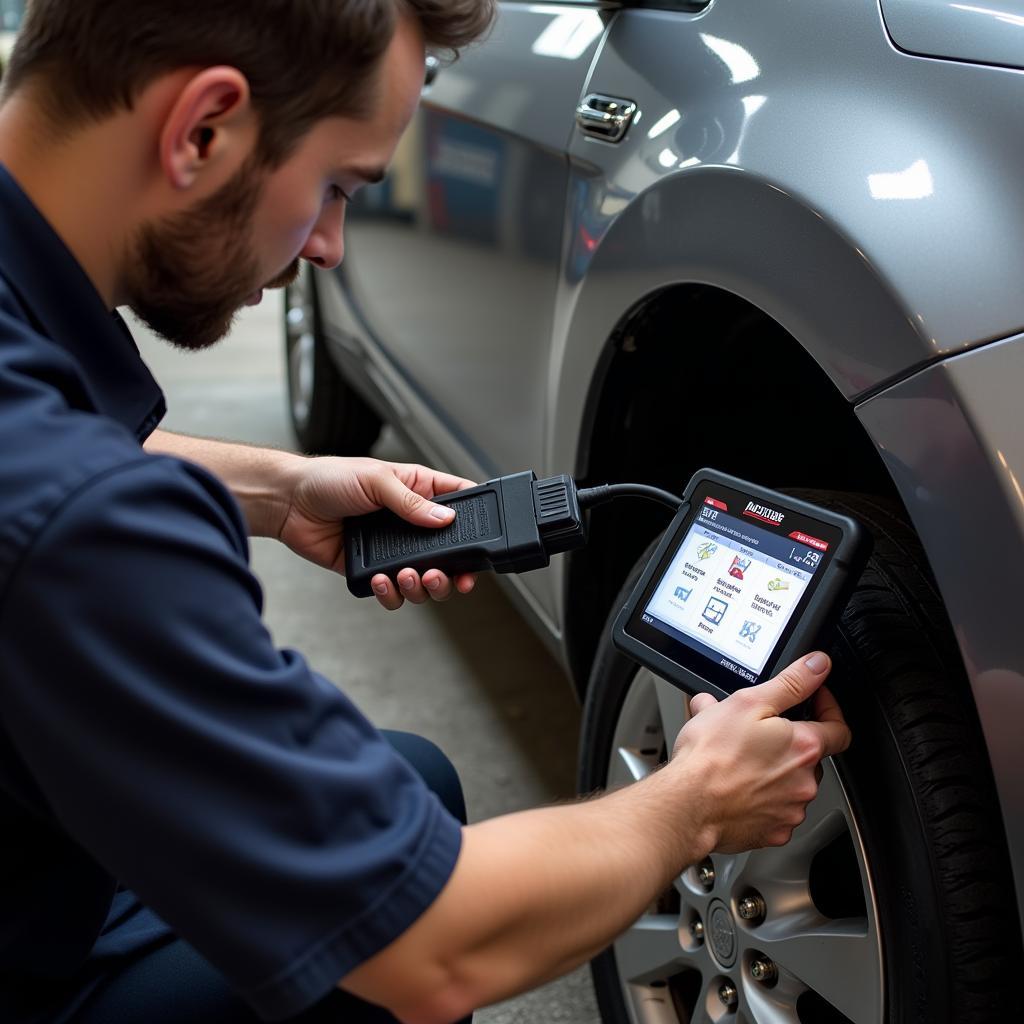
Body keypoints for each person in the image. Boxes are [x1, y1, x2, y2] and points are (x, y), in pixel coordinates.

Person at [0, 2, 851, 1022]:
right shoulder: (83, 520)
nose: (326, 246)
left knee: (407, 784)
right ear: (203, 130)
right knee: (394, 906)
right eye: (335, 186)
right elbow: (432, 945)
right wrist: (694, 802)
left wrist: (278, 489)